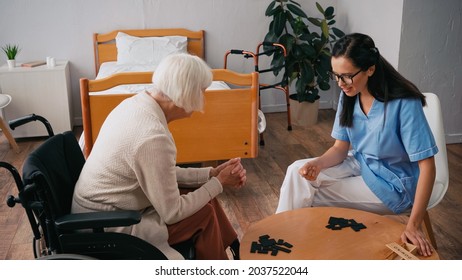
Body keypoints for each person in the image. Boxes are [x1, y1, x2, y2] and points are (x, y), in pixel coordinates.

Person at [276, 33, 437, 257]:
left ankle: (285, 251)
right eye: (336, 76)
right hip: (360, 163)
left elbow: (427, 166)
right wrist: (318, 164)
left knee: (307, 196)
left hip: (392, 184)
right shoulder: (351, 93)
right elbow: (340, 148)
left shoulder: (404, 103)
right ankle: (282, 241)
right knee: (297, 172)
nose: (341, 84)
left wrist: (413, 223)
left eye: (347, 76)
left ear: (370, 69)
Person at [72, 53, 246, 260]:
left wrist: (211, 174)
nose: (203, 100)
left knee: (203, 196)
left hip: (98, 208)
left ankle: (233, 247)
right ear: (186, 94)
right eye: (202, 92)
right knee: (203, 214)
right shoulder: (153, 137)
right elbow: (173, 213)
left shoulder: (135, 104)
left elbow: (160, 172)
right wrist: (219, 183)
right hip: (106, 223)